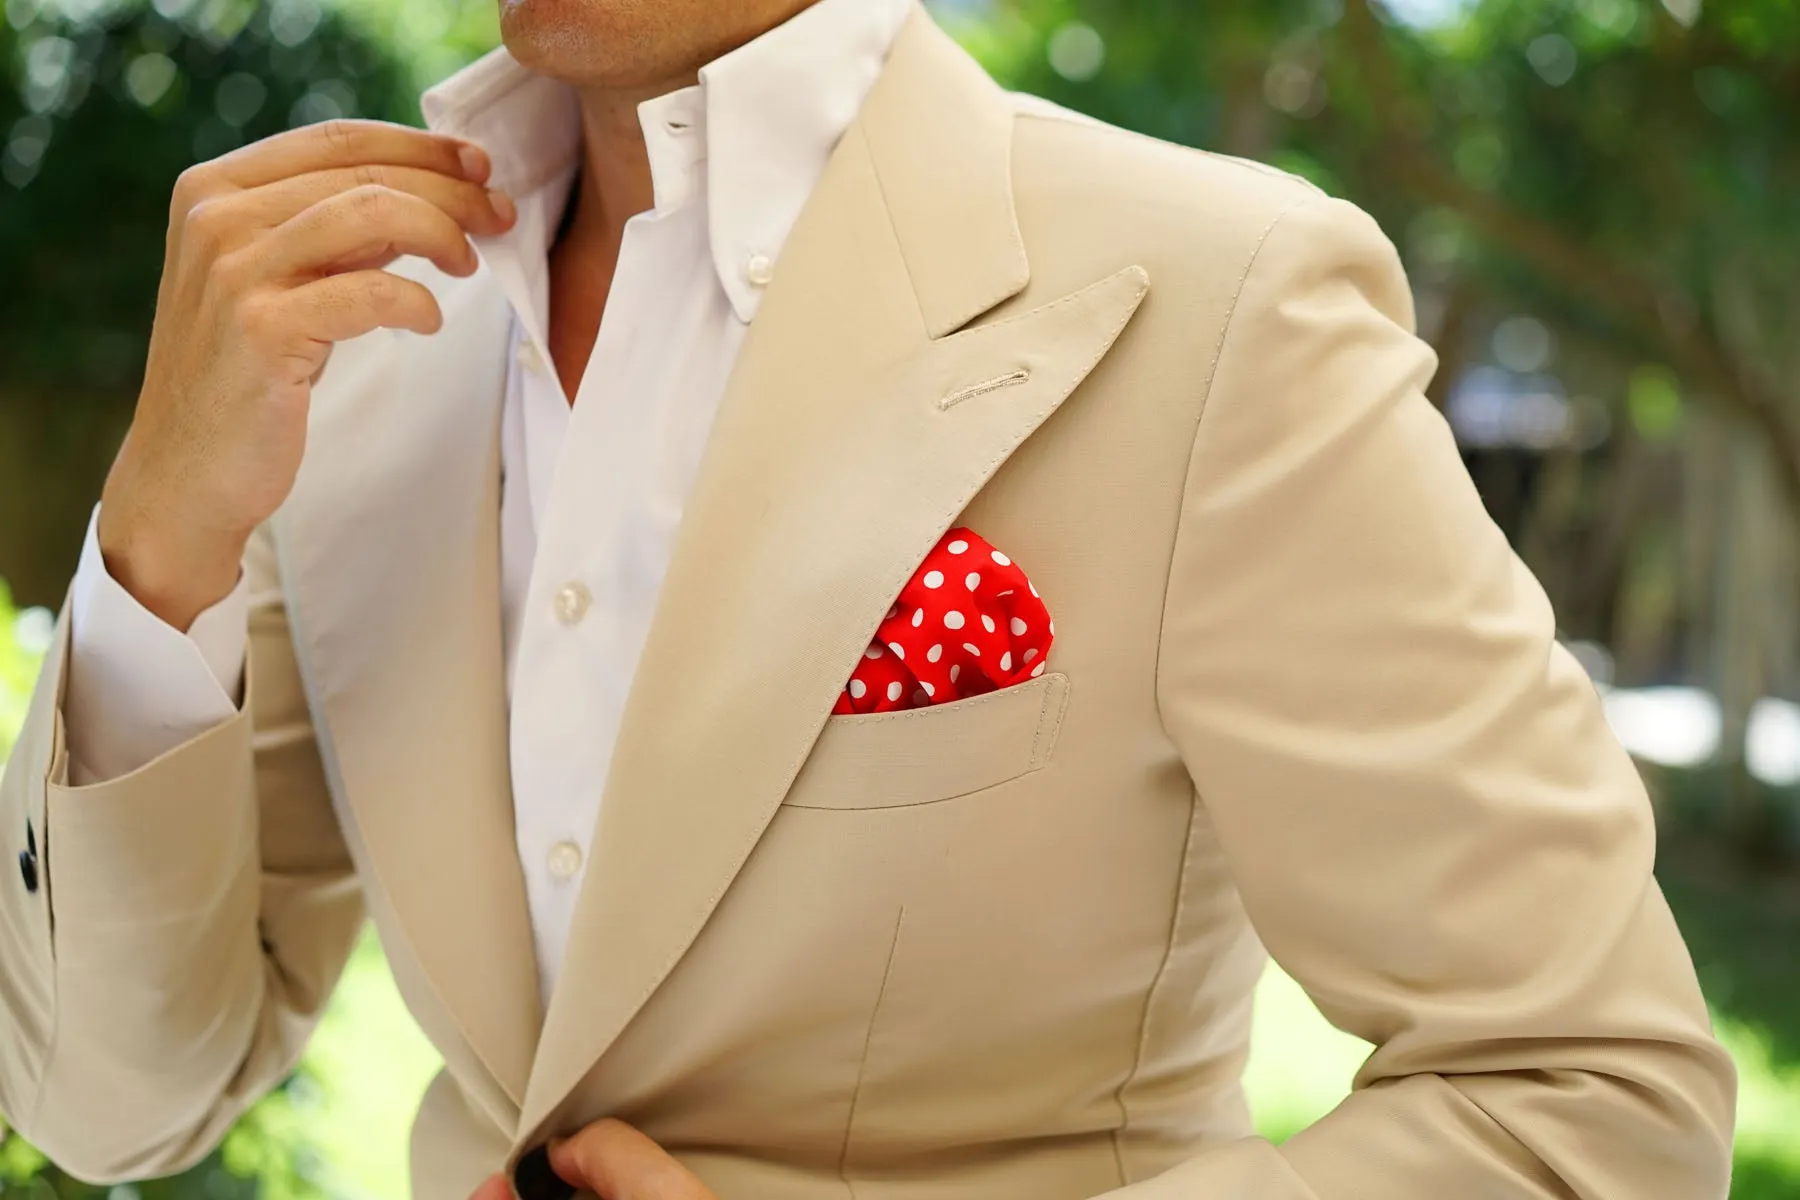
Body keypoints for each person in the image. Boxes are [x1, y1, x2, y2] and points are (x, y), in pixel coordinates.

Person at [0, 0, 1736, 1196]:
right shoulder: (364, 340)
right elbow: (114, 1102)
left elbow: (1596, 1105)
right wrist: (159, 546)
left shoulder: (1222, 307)